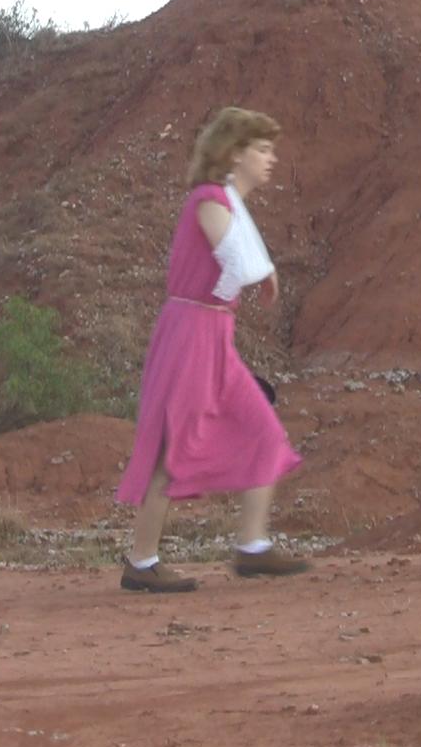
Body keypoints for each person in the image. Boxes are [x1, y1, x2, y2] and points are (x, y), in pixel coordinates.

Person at [115, 107, 308, 592]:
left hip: (214, 331)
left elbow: (238, 267)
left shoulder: (227, 203)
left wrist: (261, 273)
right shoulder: (209, 198)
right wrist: (263, 273)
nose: (271, 159)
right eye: (261, 149)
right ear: (235, 153)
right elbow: (233, 262)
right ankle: (142, 562)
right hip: (191, 331)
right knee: (173, 444)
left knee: (263, 429)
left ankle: (252, 547)